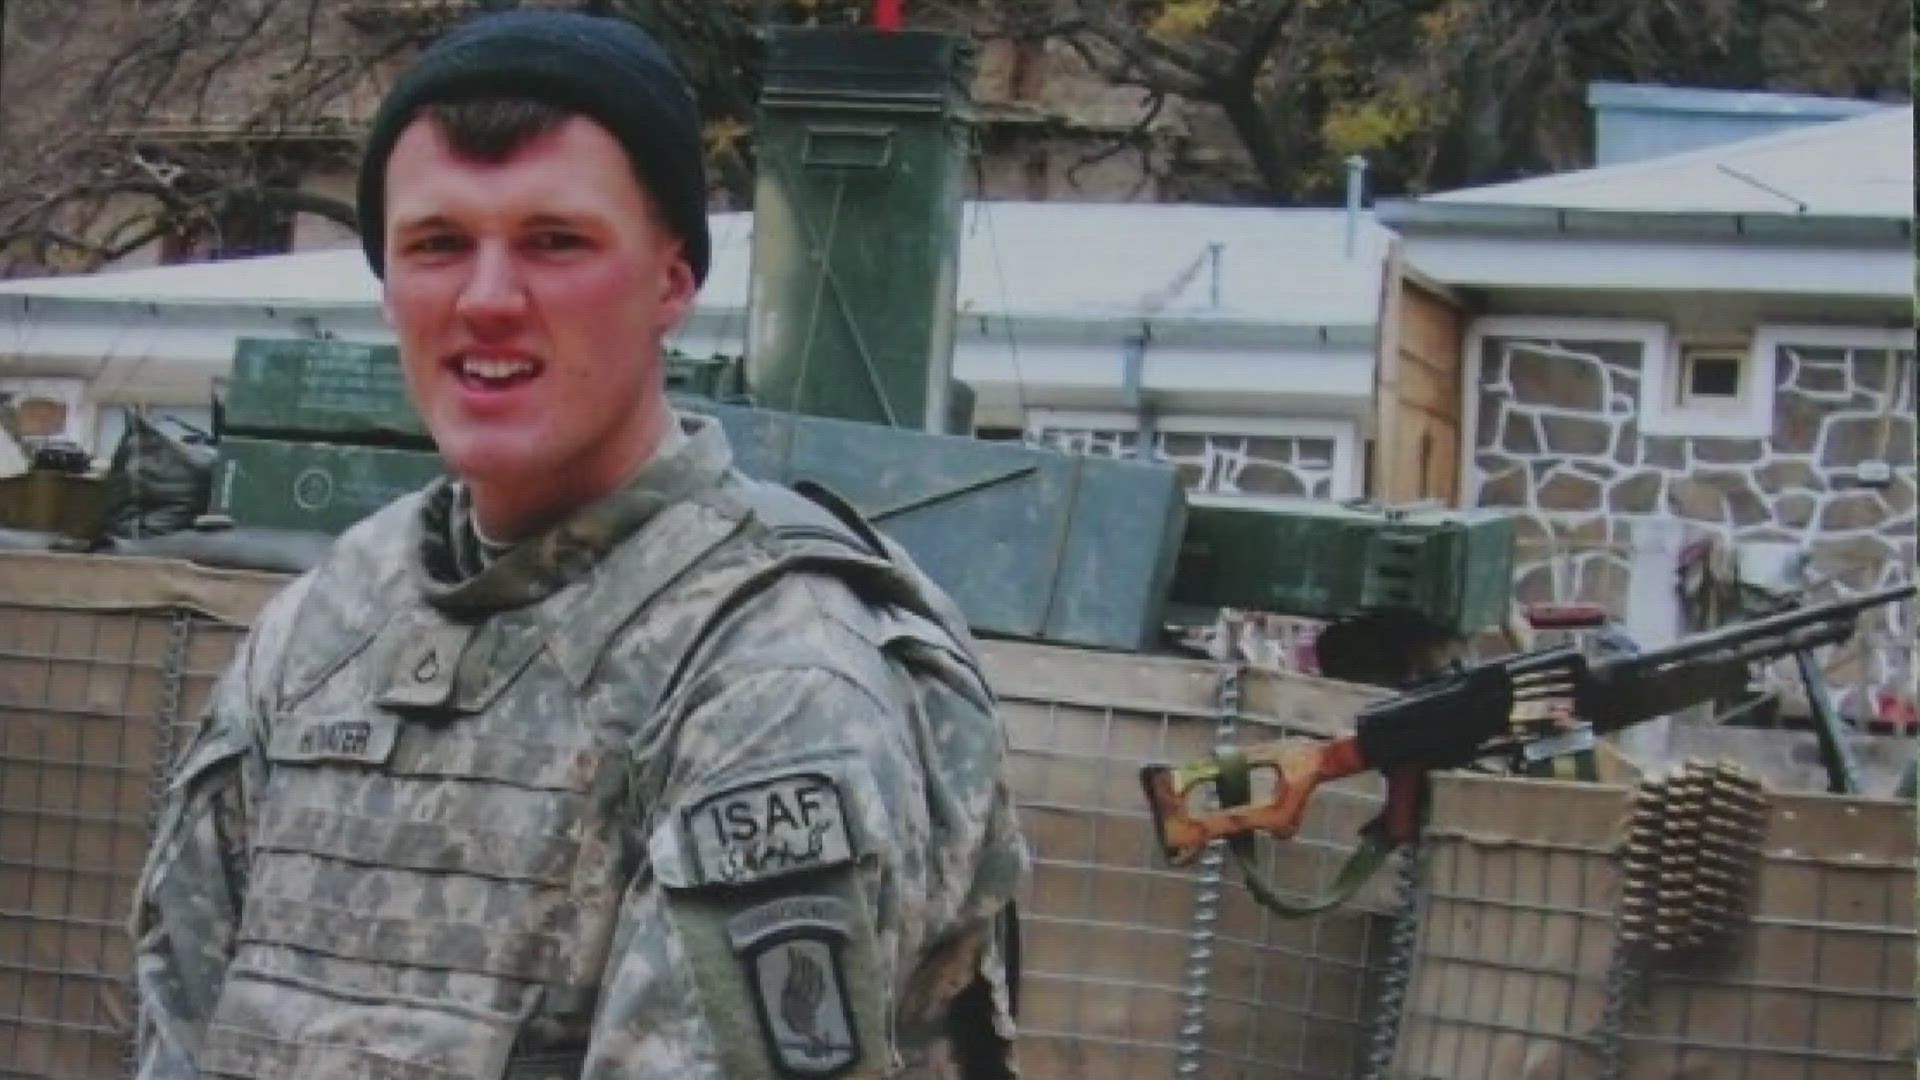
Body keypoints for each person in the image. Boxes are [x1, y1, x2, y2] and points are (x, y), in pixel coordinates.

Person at [129, 10, 1028, 1079]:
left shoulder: (770, 680)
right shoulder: (326, 626)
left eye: (557, 242)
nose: (489, 300)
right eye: (437, 244)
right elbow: (180, 1023)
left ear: (671, 281)